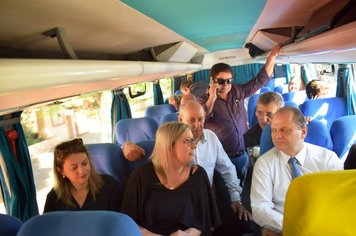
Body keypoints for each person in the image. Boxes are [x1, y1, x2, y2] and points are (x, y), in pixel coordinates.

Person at [123, 101, 252, 236]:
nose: (197, 125)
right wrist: (124, 146)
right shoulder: (142, 175)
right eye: (192, 120)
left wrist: (235, 199)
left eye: (200, 119)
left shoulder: (198, 171)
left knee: (243, 224)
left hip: (203, 198)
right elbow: (126, 222)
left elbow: (227, 169)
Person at [197, 44, 281, 188]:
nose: (225, 84)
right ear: (212, 80)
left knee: (241, 186)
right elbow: (202, 120)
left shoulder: (237, 91)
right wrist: (212, 98)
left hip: (242, 154)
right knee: (225, 192)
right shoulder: (203, 99)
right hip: (221, 158)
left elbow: (259, 81)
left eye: (229, 80)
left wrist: (272, 56)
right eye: (221, 81)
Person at [250, 106, 343, 236]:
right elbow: (260, 209)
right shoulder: (264, 163)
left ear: (303, 132)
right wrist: (291, 228)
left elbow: (339, 202)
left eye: (284, 130)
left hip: (322, 228)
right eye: (273, 130)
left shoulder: (328, 159)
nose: (277, 136)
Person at [121, 122, 221, 236]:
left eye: (193, 140)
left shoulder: (198, 175)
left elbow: (201, 221)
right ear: (169, 146)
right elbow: (128, 223)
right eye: (188, 141)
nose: (194, 146)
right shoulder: (141, 176)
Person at [43, 138, 121, 212]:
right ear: (61, 171)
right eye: (74, 167)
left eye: (84, 163)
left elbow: (119, 220)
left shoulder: (108, 184)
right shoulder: (54, 197)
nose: (81, 171)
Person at [243, 92, 284, 157]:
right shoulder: (249, 138)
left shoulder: (290, 131)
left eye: (269, 114)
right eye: (260, 113)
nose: (264, 119)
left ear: (280, 113)